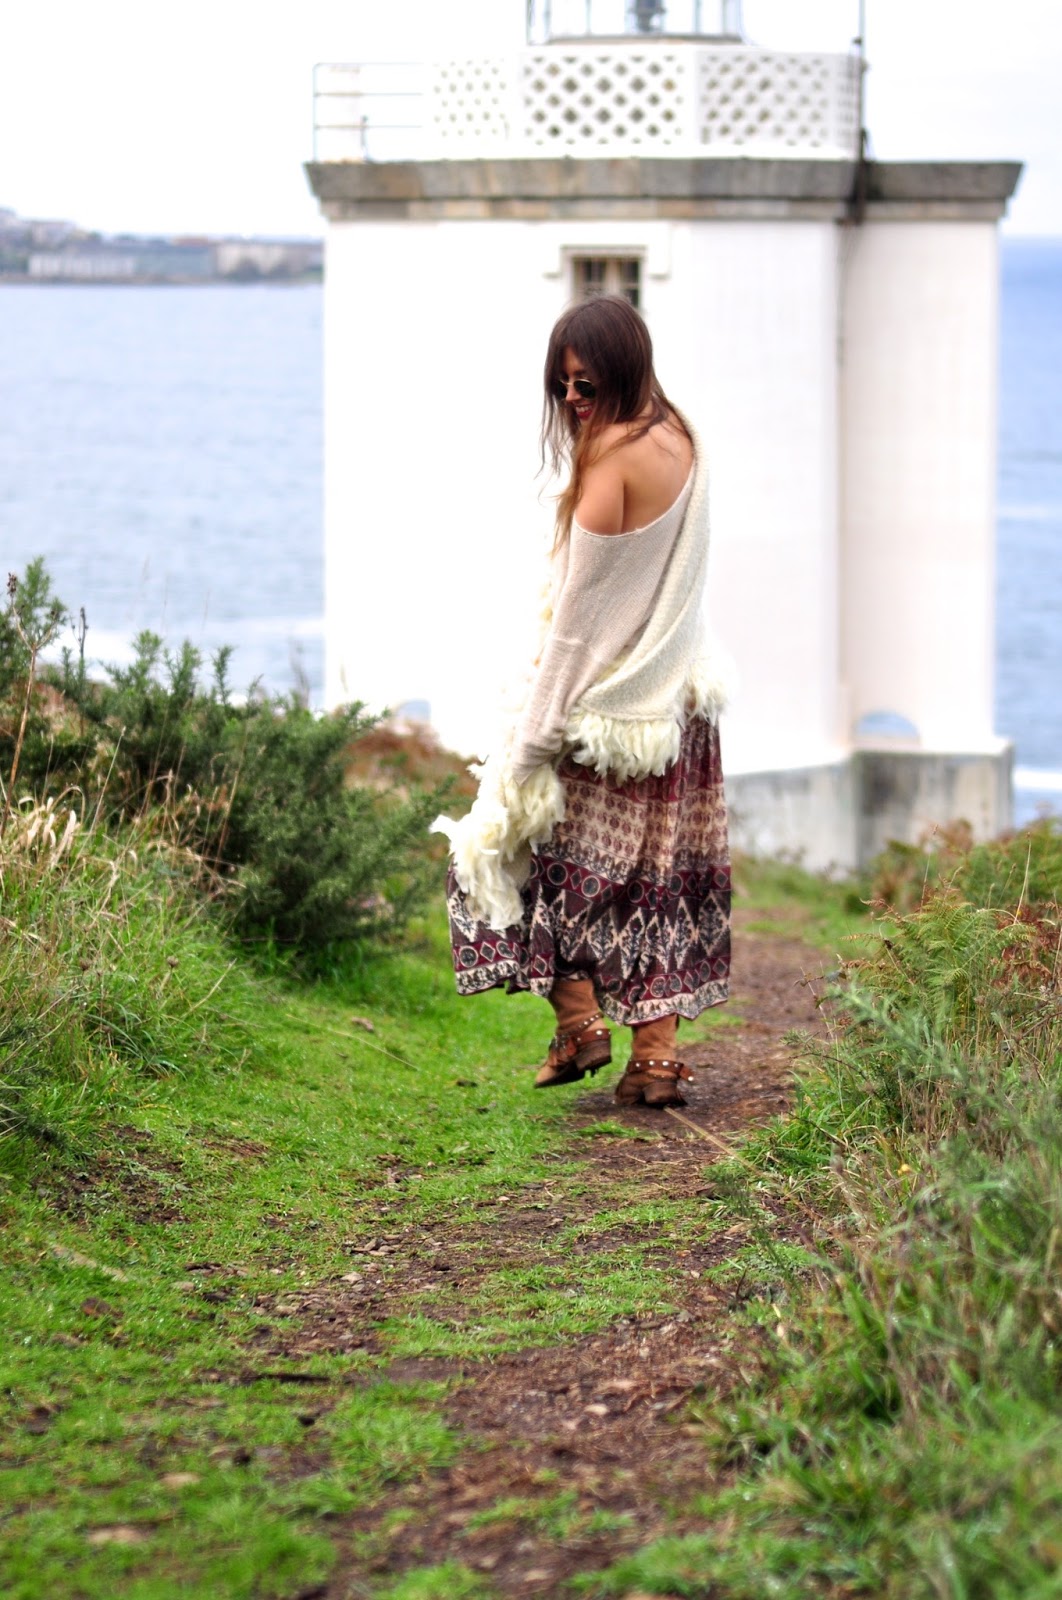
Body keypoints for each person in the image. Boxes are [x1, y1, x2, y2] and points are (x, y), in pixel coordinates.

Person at [434, 294, 730, 1109]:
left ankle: (577, 1024)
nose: (571, 399)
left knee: (501, 859)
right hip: (680, 711)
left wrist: (530, 743)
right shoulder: (683, 436)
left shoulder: (610, 464)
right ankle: (656, 1061)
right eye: (561, 384)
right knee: (657, 891)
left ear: (623, 370)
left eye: (586, 383)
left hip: (610, 721)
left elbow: (577, 628)